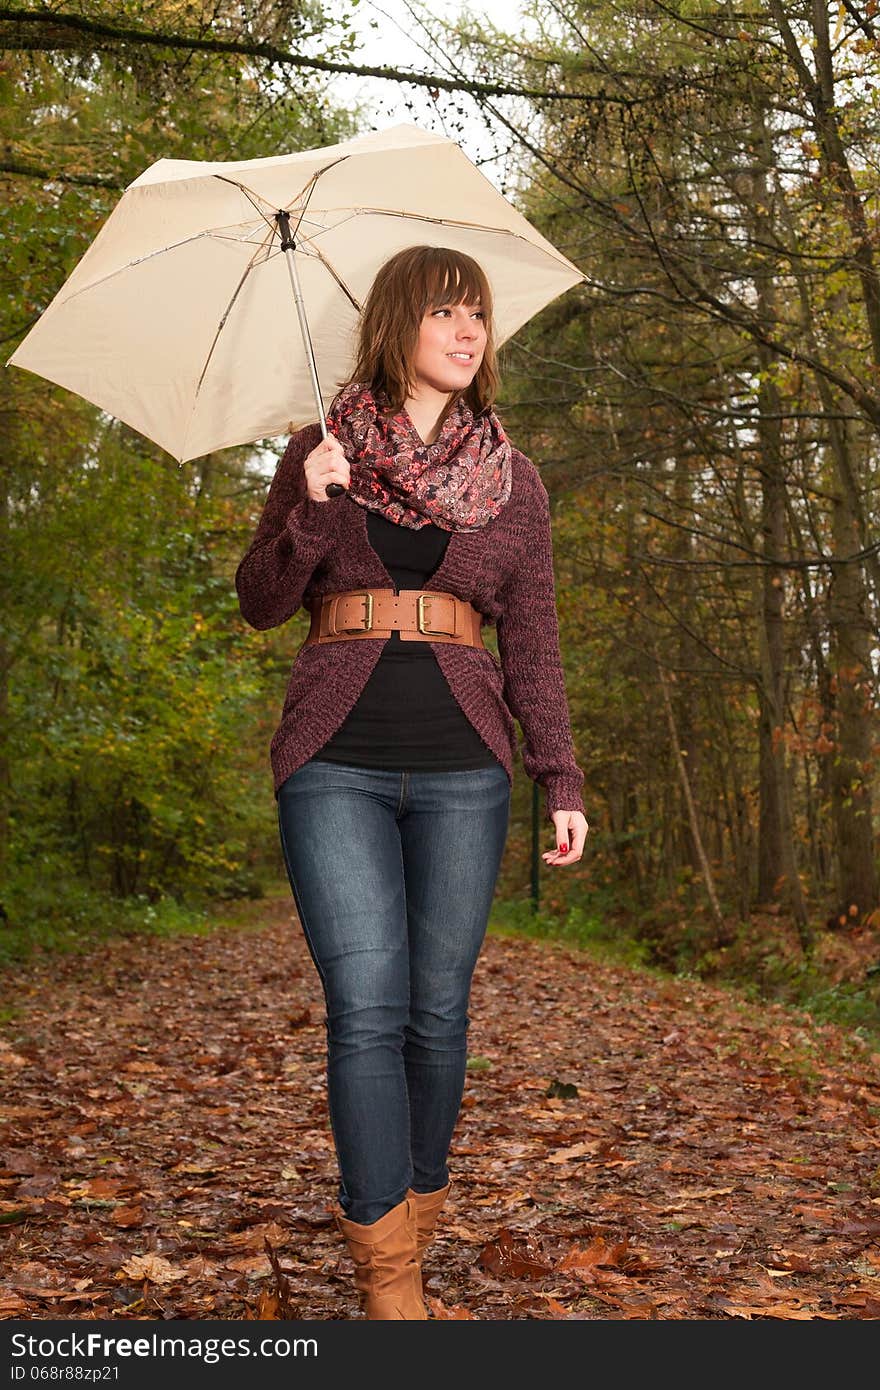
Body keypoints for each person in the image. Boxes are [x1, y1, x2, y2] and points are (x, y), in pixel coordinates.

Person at [235, 245, 589, 1320]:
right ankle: (390, 1277)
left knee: (436, 1015)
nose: (469, 330)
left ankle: (417, 1207)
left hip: (463, 768)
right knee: (365, 1008)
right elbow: (260, 600)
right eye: (446, 311)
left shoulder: (512, 479)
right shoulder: (320, 449)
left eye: (478, 314)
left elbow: (531, 637)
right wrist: (307, 505)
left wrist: (558, 774)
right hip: (332, 761)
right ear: (398, 322)